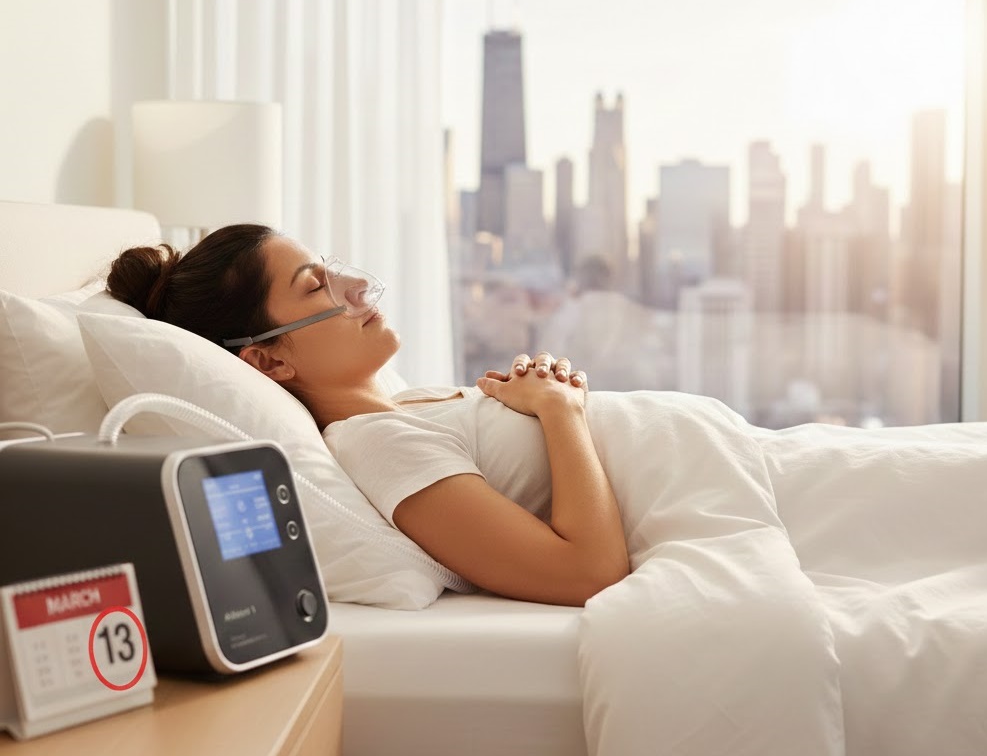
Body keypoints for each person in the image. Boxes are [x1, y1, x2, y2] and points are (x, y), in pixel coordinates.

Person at [107, 223, 630, 607]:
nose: (354, 289)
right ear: (269, 359)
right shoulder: (379, 445)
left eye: (330, 271)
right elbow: (588, 574)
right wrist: (561, 411)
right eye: (315, 287)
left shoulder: (404, 404)